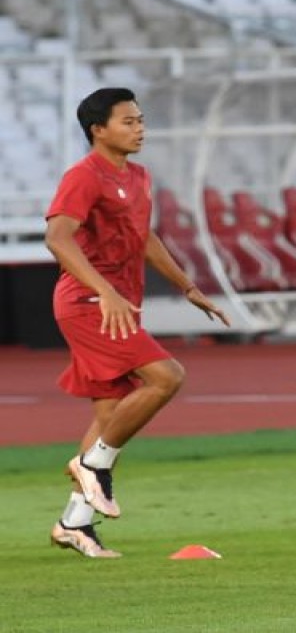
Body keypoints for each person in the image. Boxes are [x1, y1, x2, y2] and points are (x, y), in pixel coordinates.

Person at [44, 87, 230, 558]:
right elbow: (57, 238)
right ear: (98, 130)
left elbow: (142, 237)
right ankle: (93, 466)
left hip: (118, 302)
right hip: (89, 303)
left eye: (141, 120)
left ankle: (74, 524)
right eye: (128, 121)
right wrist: (104, 289)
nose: (139, 128)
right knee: (166, 376)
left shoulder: (139, 176)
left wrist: (187, 286)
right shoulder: (83, 177)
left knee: (111, 414)